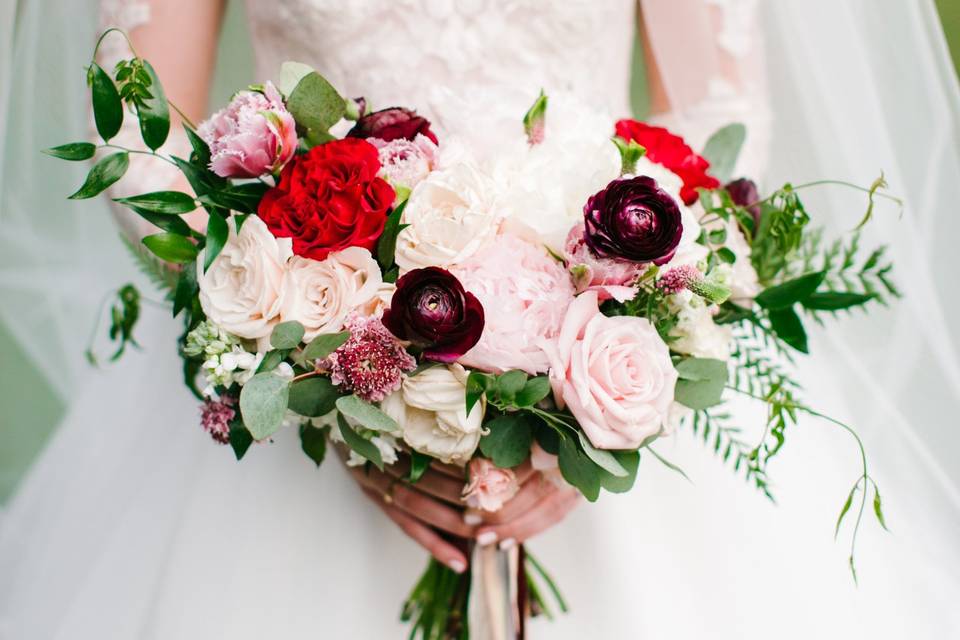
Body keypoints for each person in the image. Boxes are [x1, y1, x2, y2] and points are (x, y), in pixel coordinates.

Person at [2, 1, 960, 638]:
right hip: (308, 373)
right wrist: (321, 359)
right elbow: (137, 137)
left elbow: (717, 109)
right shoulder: (314, 355)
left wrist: (592, 368)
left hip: (604, 354)